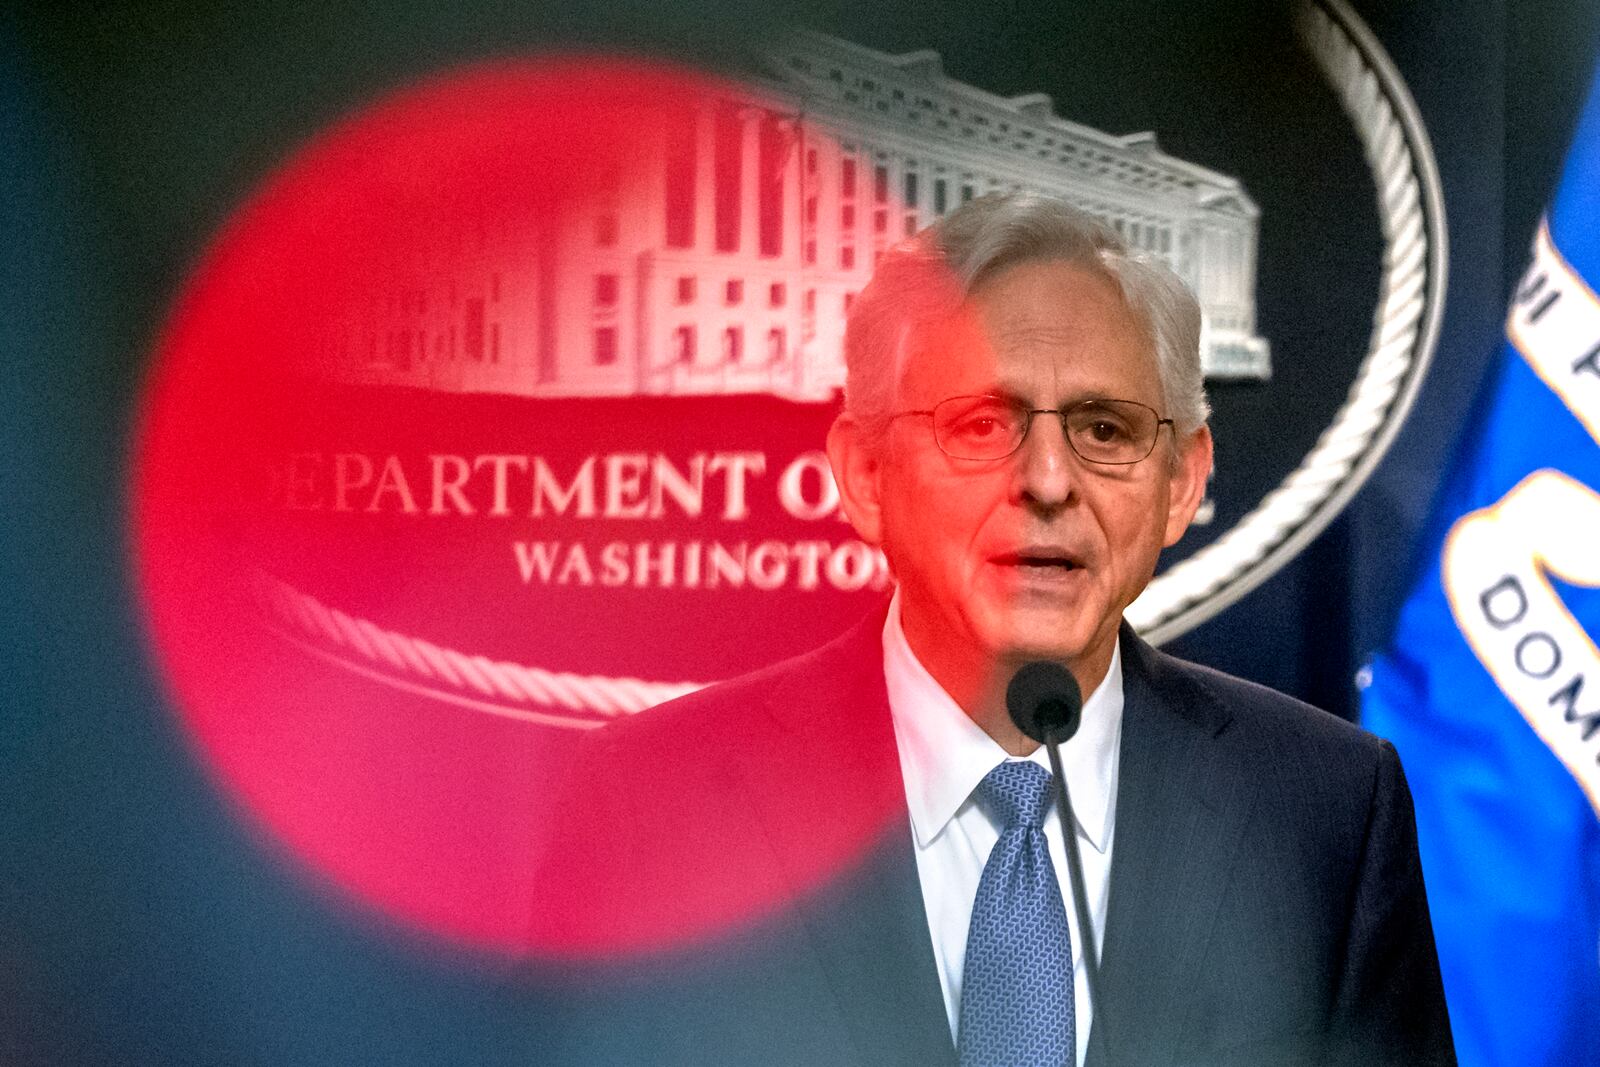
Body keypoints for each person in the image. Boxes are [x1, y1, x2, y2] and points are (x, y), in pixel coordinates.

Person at [530, 193, 1456, 1067]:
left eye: (1105, 427)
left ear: (1182, 481)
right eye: (980, 424)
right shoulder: (654, 810)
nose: (1049, 479)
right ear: (863, 474)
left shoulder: (1328, 813)